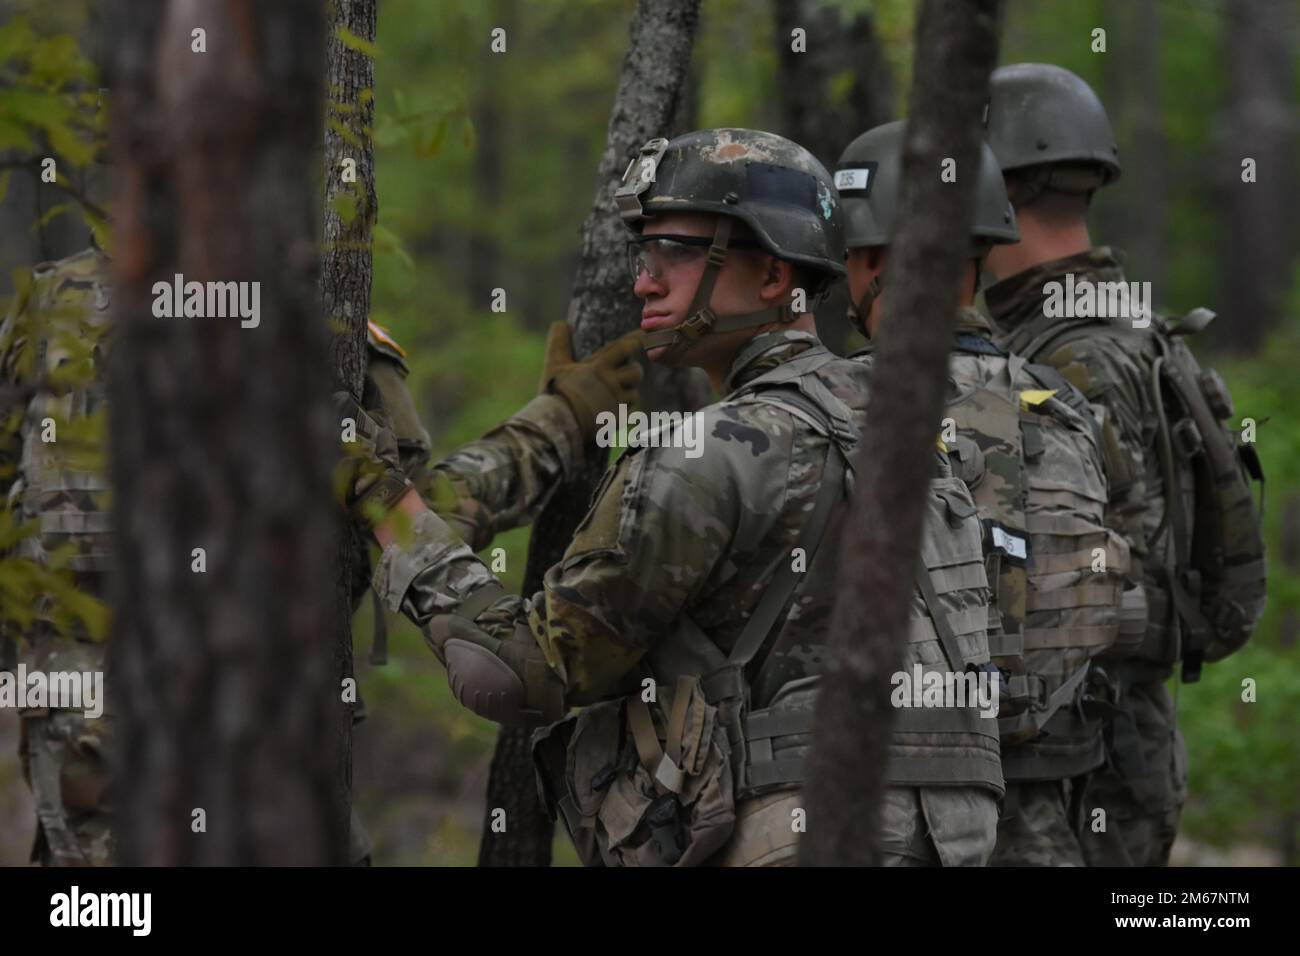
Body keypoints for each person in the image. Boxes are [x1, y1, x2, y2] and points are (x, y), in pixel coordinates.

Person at [346, 128, 1003, 866]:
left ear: (770, 276)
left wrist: (386, 503)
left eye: (679, 252)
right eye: (644, 254)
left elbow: (518, 674)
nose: (643, 283)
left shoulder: (705, 455)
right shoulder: (914, 426)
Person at [982, 63, 1266, 866]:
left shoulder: (1070, 358)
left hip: (1082, 758)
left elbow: (1104, 587)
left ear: (990, 189)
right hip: (1119, 743)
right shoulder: (1125, 329)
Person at [835, 120, 1135, 865]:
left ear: (870, 258)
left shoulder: (829, 408)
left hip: (895, 814)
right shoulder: (1067, 408)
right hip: (1045, 805)